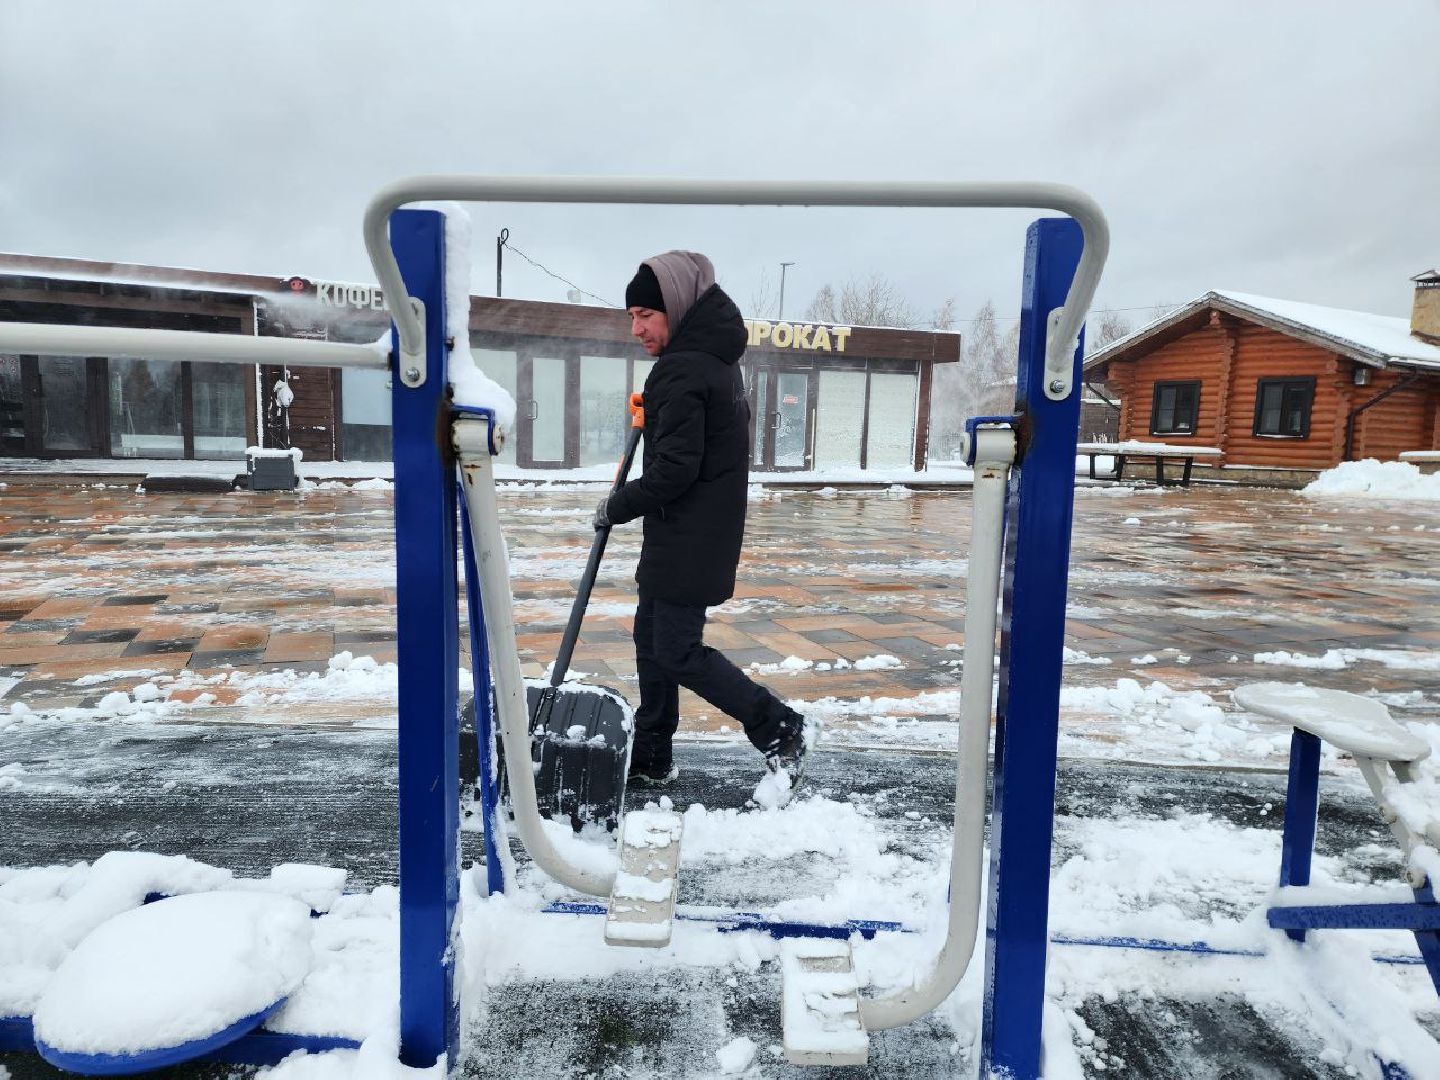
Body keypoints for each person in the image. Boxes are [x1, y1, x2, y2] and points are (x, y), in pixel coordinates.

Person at [594, 251, 811, 802]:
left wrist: (616, 505)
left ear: (676, 308)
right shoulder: (713, 361)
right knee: (651, 642)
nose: (637, 328)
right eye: (631, 317)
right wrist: (659, 412)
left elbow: (674, 471)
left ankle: (778, 726)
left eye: (646, 314)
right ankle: (652, 755)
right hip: (695, 534)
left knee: (675, 650)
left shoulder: (683, 369)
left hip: (686, 539)